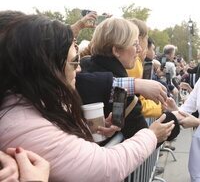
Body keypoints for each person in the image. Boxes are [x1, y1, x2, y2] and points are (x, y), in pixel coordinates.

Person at [0, 14, 175, 182]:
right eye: (74, 62)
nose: (79, 69)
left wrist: (90, 130)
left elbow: (63, 143)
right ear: (47, 68)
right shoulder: (24, 125)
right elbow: (106, 167)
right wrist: (152, 135)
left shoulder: (31, 102)